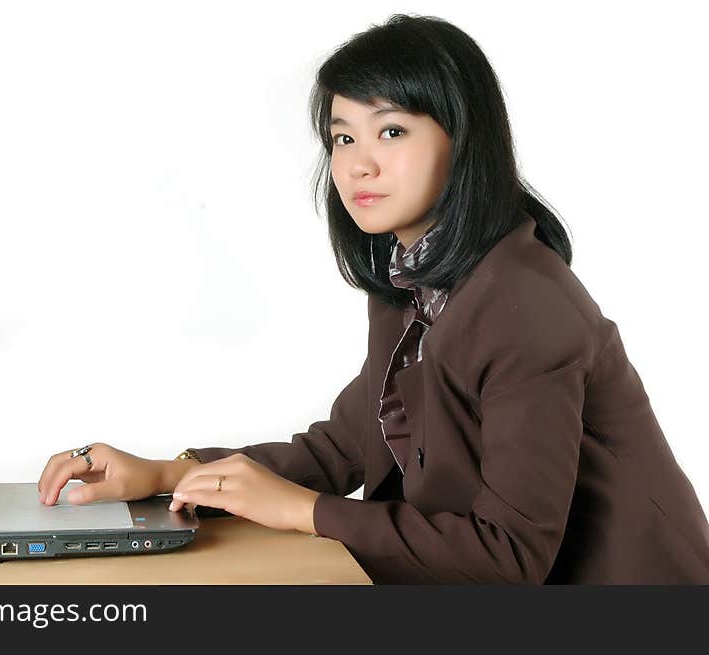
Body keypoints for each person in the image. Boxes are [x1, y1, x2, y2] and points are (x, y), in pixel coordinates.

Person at [37, 14, 709, 584]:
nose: (358, 163)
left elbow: (510, 555)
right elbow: (347, 445)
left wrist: (305, 511)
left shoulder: (525, 304)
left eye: (391, 131)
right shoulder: (412, 280)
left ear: (462, 138)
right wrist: (163, 474)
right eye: (342, 136)